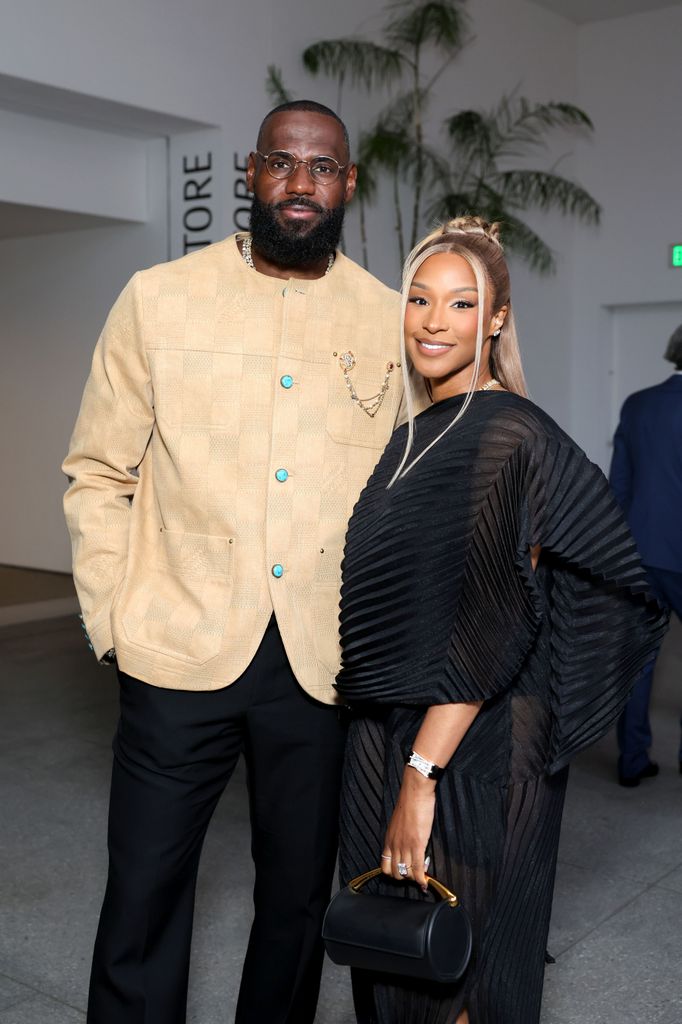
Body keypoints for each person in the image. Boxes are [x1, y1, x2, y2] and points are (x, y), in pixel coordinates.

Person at [62, 100, 406, 1024]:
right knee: (144, 895)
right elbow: (98, 471)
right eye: (283, 163)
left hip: (322, 668)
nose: (303, 183)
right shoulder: (158, 296)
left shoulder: (386, 320)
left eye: (323, 167)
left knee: (296, 903)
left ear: (349, 185)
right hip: (175, 650)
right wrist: (113, 623)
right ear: (251, 174)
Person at [335, 217, 667, 1024]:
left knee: (464, 979)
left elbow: (491, 622)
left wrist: (421, 778)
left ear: (496, 319)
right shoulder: (411, 435)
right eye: (419, 299)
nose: (433, 321)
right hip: (390, 731)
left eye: (460, 303)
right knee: (391, 956)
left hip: (469, 746)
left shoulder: (508, 433)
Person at [609, 326, 682, 786]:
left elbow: (619, 485)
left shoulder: (637, 404)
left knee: (638, 660)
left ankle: (632, 759)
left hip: (639, 551)